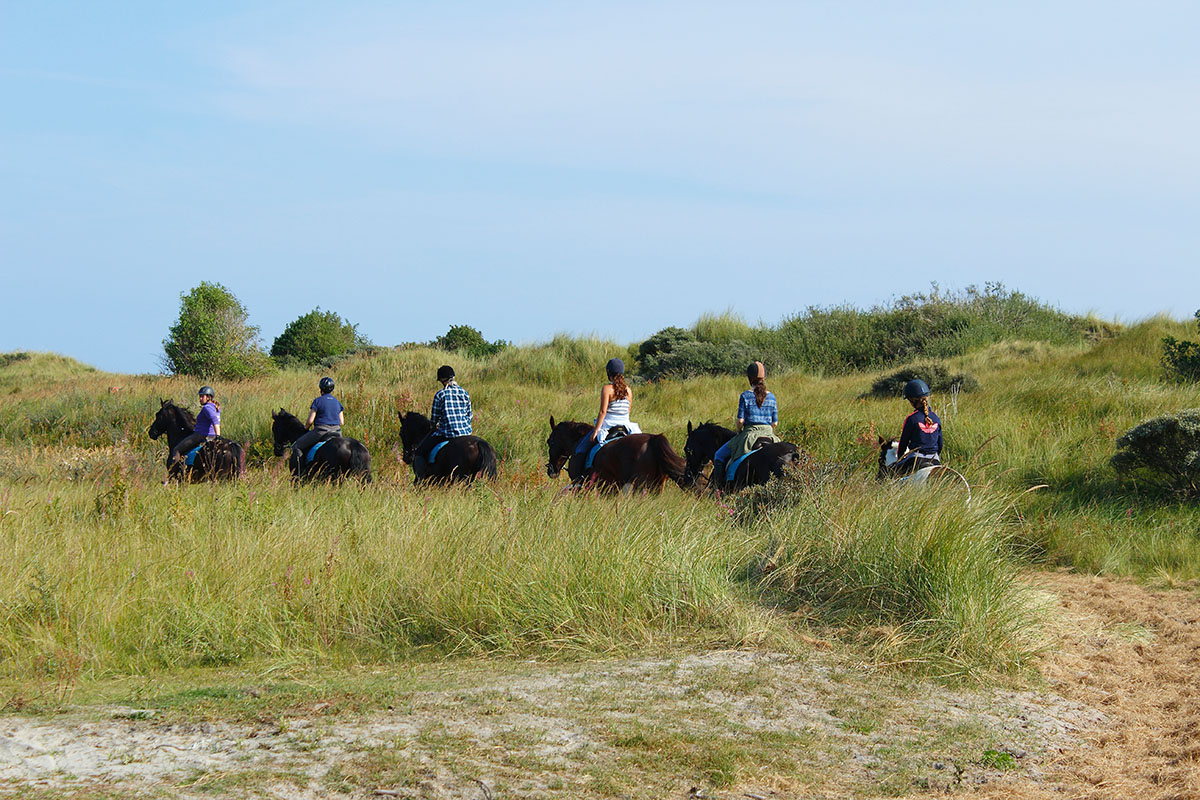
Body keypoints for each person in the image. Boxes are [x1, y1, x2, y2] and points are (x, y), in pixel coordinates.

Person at [711, 362, 780, 487]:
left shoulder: (745, 395)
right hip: (770, 435)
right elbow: (775, 423)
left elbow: (740, 421)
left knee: (719, 455)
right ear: (764, 378)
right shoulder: (772, 397)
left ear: (750, 378)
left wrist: (739, 431)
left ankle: (718, 488)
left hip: (749, 435)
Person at [573, 358, 642, 464]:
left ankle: (580, 477)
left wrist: (596, 430)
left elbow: (602, 412)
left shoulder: (607, 388)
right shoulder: (628, 390)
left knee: (581, 448)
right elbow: (628, 411)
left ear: (608, 372)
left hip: (608, 426)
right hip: (626, 426)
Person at [412, 365, 472, 478]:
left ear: (442, 380)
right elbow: (469, 415)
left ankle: (420, 478)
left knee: (419, 452)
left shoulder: (440, 395)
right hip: (466, 433)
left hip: (447, 434)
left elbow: (434, 419)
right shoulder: (464, 393)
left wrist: (434, 426)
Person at [166, 385, 221, 477]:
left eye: (202, 396)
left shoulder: (207, 408)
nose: (200, 398)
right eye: (200, 396)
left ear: (208, 397)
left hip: (201, 435)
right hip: (209, 435)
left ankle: (173, 474)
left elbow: (215, 420)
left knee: (176, 449)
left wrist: (218, 436)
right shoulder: (215, 407)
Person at [291, 376, 344, 467]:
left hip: (321, 431)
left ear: (321, 389)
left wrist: (306, 428)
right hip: (337, 432)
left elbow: (310, 421)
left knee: (297, 446)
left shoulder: (317, 401)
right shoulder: (337, 402)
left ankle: (299, 474)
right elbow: (342, 422)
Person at [894, 378, 942, 474]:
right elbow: (940, 444)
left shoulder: (911, 419)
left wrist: (899, 459)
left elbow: (903, 444)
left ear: (912, 400)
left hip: (915, 460)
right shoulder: (936, 418)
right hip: (935, 460)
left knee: (889, 473)